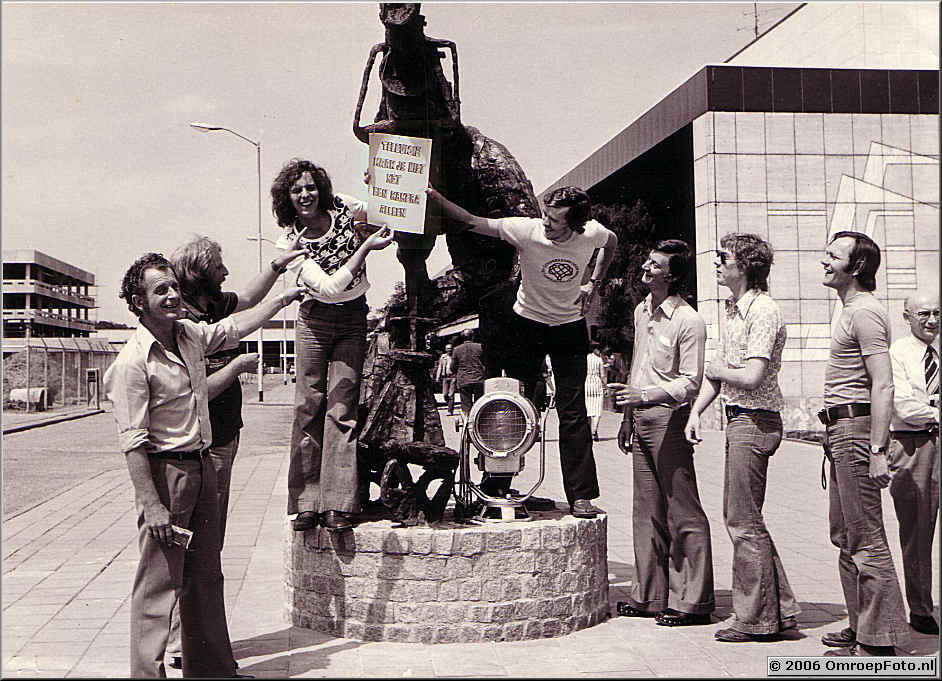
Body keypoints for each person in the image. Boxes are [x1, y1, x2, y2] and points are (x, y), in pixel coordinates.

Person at [103, 252, 303, 678]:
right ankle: (146, 674)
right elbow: (132, 443)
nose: (173, 295)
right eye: (161, 290)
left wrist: (284, 297)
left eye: (174, 286)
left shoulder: (190, 335)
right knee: (159, 585)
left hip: (201, 465)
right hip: (165, 474)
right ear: (139, 302)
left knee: (206, 575)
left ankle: (212, 670)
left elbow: (235, 325)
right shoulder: (133, 361)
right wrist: (152, 504)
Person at [427, 185, 617, 518]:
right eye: (545, 214)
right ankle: (497, 483)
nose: (545, 223)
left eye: (555, 221)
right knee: (512, 403)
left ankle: (581, 495)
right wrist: (436, 198)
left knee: (573, 412)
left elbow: (611, 243)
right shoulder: (527, 230)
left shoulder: (592, 234)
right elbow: (473, 222)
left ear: (576, 225)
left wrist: (593, 282)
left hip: (569, 327)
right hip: (527, 325)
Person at [163, 234, 305, 669]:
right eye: (219, 265)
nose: (226, 272)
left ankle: (194, 633)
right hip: (200, 442)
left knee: (210, 538)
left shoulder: (212, 306)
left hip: (225, 435)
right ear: (200, 273)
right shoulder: (181, 320)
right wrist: (237, 368)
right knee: (193, 539)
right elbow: (194, 390)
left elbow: (247, 300)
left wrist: (279, 270)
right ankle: (178, 640)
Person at [684, 233, 800, 642]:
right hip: (740, 419)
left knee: (742, 521)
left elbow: (748, 375)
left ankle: (755, 619)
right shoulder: (733, 310)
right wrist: (697, 412)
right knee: (748, 519)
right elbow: (724, 370)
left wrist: (716, 371)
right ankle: (780, 610)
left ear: (745, 267)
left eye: (723, 258)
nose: (716, 263)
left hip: (756, 420)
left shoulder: (762, 311)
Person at [273, 158, 394, 534]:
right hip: (314, 319)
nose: (305, 195)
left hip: (353, 316)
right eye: (297, 190)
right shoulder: (288, 242)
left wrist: (381, 183)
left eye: (310, 187)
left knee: (342, 406)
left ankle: (338, 504)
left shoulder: (343, 205)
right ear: (287, 198)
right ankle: (307, 503)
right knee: (308, 404)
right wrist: (365, 250)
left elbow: (381, 210)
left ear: (321, 188)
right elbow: (327, 288)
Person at [610, 239, 714, 627]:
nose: (645, 268)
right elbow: (639, 364)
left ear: (672, 275)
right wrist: (627, 414)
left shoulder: (689, 320)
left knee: (682, 509)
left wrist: (646, 396)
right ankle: (649, 596)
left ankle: (693, 601)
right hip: (640, 418)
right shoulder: (642, 311)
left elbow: (691, 381)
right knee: (647, 510)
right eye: (647, 261)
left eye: (654, 265)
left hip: (669, 420)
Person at [817, 231, 909, 656]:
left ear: (856, 267)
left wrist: (876, 450)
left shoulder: (865, 312)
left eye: (833, 256)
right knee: (845, 534)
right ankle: (861, 624)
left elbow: (884, 384)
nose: (824, 261)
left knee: (866, 535)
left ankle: (882, 637)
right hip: (839, 429)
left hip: (856, 431)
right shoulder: (849, 310)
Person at [888, 290, 940, 636]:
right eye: (923, 314)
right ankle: (921, 608)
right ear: (907, 317)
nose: (932, 321)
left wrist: (929, 405)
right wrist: (932, 408)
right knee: (918, 529)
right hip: (914, 445)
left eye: (937, 313)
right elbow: (904, 406)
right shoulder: (898, 354)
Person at [451, 328, 485, 421]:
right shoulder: (480, 347)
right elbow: (486, 363)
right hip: (478, 378)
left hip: (464, 379)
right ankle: (479, 424)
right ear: (473, 336)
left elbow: (452, 367)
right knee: (479, 403)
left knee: (466, 405)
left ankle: (467, 424)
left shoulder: (456, 350)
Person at [585, 344, 606, 440]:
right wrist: (605, 387)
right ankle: (594, 430)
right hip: (597, 384)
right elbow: (603, 375)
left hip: (586, 384)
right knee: (597, 409)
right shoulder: (598, 360)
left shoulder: (584, 359)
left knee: (588, 408)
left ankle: (588, 430)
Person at [435, 343, 456, 415]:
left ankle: (450, 410)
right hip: (445, 377)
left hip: (453, 377)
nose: (449, 350)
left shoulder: (454, 357)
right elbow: (440, 367)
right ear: (445, 349)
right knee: (445, 394)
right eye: (447, 349)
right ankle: (449, 403)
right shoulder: (443, 357)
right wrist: (437, 377)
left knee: (451, 394)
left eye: (450, 348)